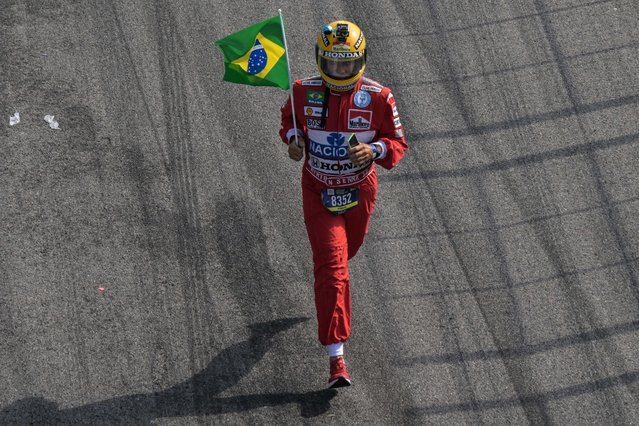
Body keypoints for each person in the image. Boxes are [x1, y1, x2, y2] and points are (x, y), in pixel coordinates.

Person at [279, 20, 407, 388]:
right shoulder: (301, 90)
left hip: (358, 191)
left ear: (360, 61)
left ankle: (333, 290)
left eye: (347, 64)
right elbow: (289, 121)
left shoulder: (380, 97)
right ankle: (336, 359)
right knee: (333, 267)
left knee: (347, 253)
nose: (340, 70)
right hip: (317, 191)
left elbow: (397, 141)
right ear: (321, 60)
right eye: (333, 63)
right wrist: (292, 140)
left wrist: (376, 149)